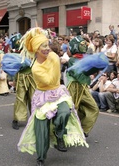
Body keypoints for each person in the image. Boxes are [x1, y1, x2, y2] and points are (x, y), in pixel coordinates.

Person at [16, 27, 88, 166]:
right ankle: (41, 157)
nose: (47, 48)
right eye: (43, 46)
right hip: (43, 96)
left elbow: (56, 78)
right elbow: (50, 79)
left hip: (58, 92)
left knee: (64, 112)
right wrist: (57, 62)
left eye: (47, 45)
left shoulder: (53, 56)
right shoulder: (36, 68)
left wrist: (58, 61)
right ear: (37, 49)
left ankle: (59, 134)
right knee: (41, 127)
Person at [66, 35, 101, 136]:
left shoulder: (86, 59)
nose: (84, 46)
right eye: (82, 44)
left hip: (83, 88)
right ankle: (65, 133)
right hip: (73, 87)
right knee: (71, 110)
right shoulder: (72, 60)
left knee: (93, 108)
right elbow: (78, 75)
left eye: (84, 44)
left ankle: (83, 130)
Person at [7, 33, 36, 130]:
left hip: (32, 77)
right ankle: (16, 119)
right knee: (20, 98)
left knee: (33, 97)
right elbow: (11, 68)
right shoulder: (14, 54)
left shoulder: (30, 51)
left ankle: (35, 118)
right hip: (21, 78)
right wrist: (12, 79)